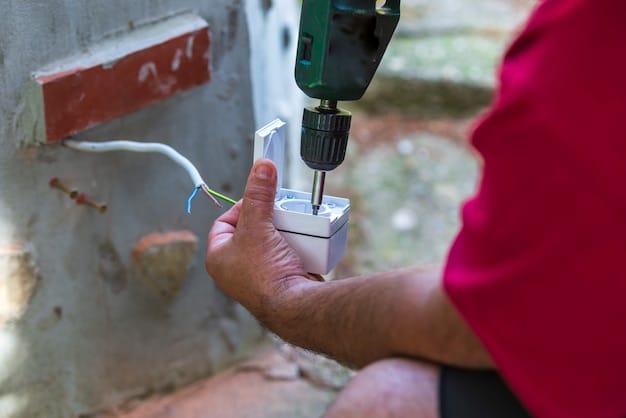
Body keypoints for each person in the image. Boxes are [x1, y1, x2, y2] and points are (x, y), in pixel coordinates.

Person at [206, 1, 626, 416]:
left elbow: (474, 323)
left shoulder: (586, 46)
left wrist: (285, 299)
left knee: (385, 401)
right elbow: (510, 292)